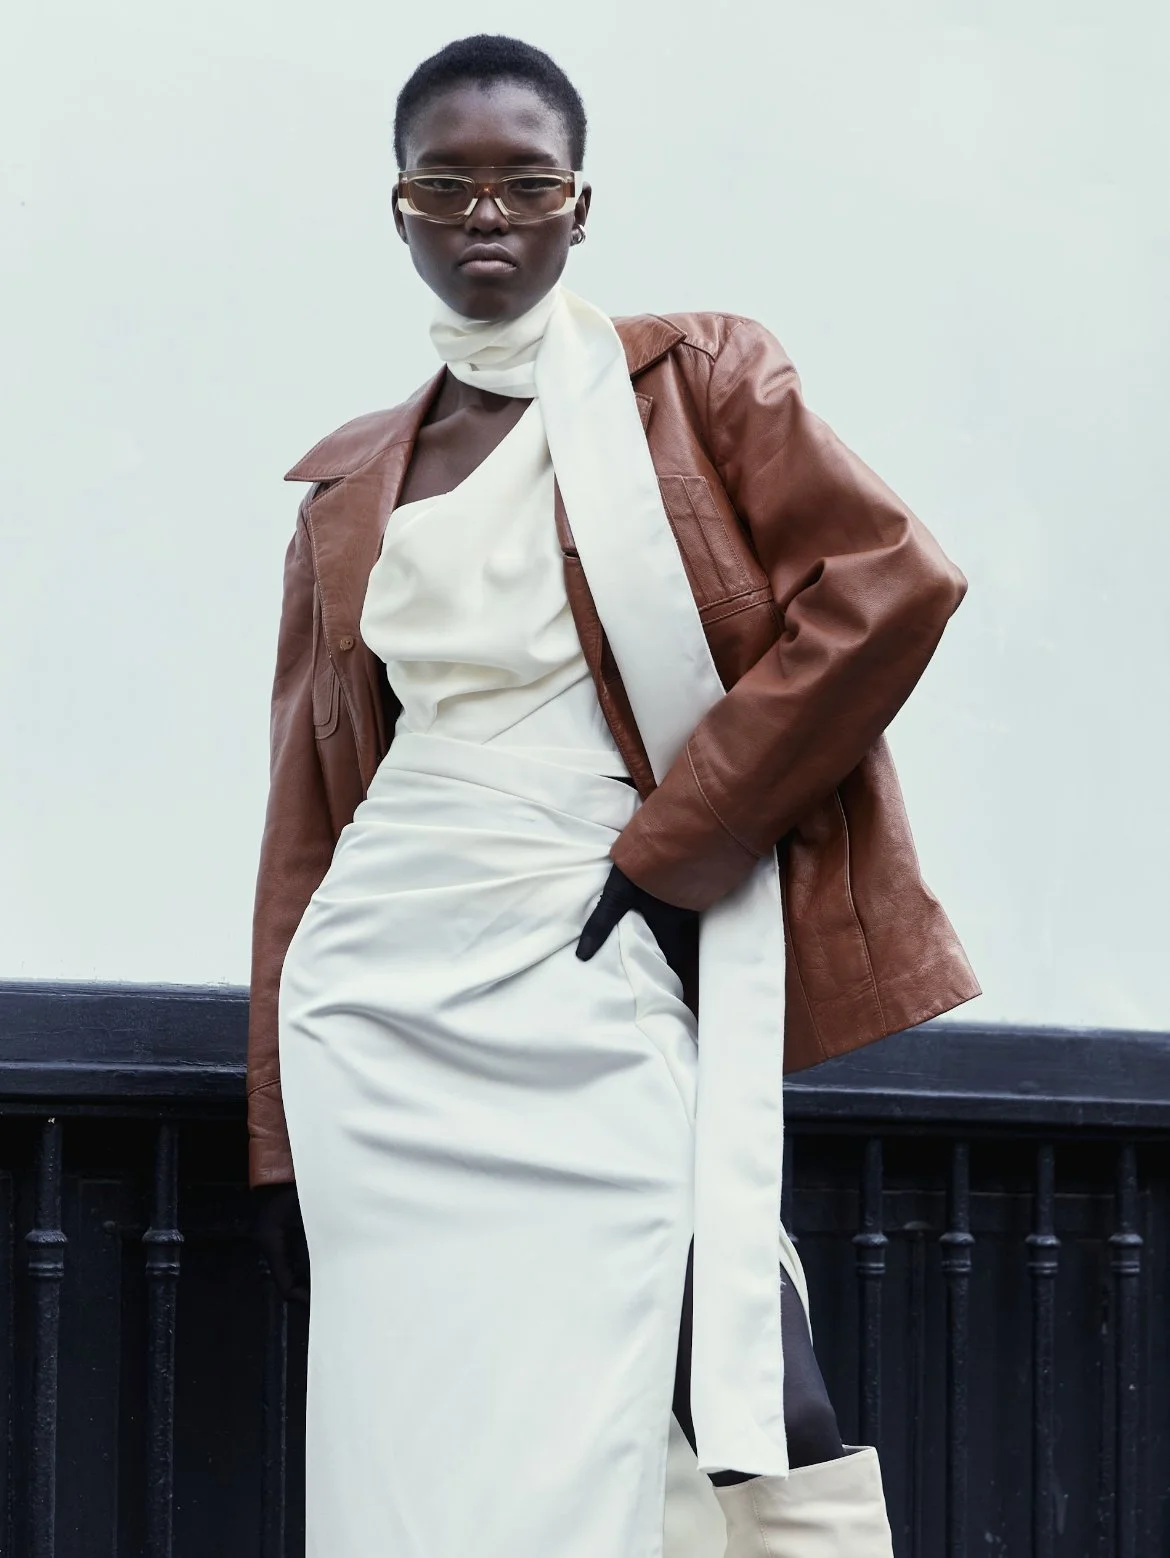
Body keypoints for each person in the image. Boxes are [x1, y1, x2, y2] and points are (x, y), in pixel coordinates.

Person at [247, 33, 979, 1558]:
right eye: (443, 185)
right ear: (398, 212)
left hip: (595, 940)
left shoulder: (695, 379)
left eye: (526, 182)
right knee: (440, 1412)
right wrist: (276, 1118)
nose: (486, 216)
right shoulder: (348, 486)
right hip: (380, 996)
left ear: (583, 207)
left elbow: (890, 584)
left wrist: (666, 855)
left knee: (737, 1350)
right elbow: (312, 810)